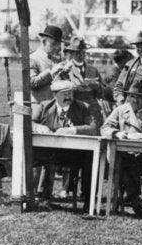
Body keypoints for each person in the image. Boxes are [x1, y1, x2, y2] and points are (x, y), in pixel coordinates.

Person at [30, 78, 98, 210]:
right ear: (55, 95)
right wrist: (39, 127)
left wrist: (73, 130)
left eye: (71, 93)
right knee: (31, 156)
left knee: (90, 160)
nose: (68, 97)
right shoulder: (44, 106)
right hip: (48, 151)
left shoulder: (83, 107)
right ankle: (37, 197)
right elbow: (30, 122)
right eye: (64, 94)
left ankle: (88, 202)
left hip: (73, 153)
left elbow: (94, 127)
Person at [101, 79, 142, 216]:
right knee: (127, 167)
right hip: (126, 156)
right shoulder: (121, 110)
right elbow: (104, 128)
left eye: (139, 97)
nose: (134, 100)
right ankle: (136, 205)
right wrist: (117, 133)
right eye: (132, 96)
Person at [29, 24, 66, 103]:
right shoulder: (33, 58)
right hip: (40, 107)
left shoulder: (56, 60)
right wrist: (52, 72)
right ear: (44, 41)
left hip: (57, 106)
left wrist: (65, 73)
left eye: (58, 44)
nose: (57, 48)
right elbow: (32, 83)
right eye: (53, 44)